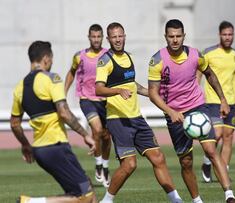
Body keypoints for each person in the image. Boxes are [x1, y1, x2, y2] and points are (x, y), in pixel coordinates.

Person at [148, 19, 235, 203]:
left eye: (178, 36)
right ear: (165, 37)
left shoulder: (196, 55)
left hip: (197, 107)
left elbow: (210, 75)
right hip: (175, 114)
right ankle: (197, 200)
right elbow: (152, 93)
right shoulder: (157, 60)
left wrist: (223, 100)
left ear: (184, 36)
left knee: (211, 150)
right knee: (186, 162)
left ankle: (229, 195)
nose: (175, 40)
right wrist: (170, 111)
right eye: (171, 36)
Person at [95, 22, 183, 203]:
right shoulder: (105, 61)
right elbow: (99, 89)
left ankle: (176, 200)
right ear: (108, 39)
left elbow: (131, 85)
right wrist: (118, 91)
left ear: (124, 36)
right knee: (129, 164)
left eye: (120, 36)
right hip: (118, 119)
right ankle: (107, 200)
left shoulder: (128, 57)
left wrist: (151, 93)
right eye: (114, 37)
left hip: (137, 118)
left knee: (158, 158)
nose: (118, 39)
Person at [11, 41, 96, 203]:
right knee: (84, 197)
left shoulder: (19, 87)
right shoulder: (52, 79)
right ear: (46, 58)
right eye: (51, 58)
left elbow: (15, 124)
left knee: (87, 188)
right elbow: (64, 112)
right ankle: (29, 202)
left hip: (40, 150)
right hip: (56, 147)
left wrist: (25, 145)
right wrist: (85, 135)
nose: (52, 62)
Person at [64, 24, 111, 188]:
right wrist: (63, 92)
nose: (96, 40)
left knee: (106, 136)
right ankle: (98, 163)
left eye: (99, 37)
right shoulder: (80, 56)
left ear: (102, 38)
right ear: (89, 37)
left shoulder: (109, 55)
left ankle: (105, 166)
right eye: (93, 37)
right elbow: (71, 72)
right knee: (97, 130)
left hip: (105, 101)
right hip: (87, 99)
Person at [198, 21, 235, 183]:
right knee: (216, 135)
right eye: (225, 34)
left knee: (228, 137)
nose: (228, 37)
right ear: (219, 35)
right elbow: (200, 73)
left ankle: (224, 172)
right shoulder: (208, 53)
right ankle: (206, 162)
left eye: (230, 34)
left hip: (231, 101)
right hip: (213, 100)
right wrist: (197, 92)